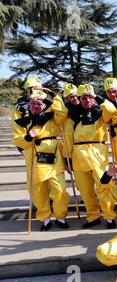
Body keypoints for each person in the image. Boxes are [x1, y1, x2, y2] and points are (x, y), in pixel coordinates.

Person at [12, 89, 70, 230]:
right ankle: (44, 219)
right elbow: (18, 141)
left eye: (40, 103)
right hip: (34, 158)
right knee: (38, 192)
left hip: (54, 159)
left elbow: (62, 113)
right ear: (29, 105)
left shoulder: (52, 117)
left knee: (60, 189)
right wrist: (27, 137)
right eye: (33, 103)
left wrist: (53, 96)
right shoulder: (22, 122)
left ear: (44, 105)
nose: (36, 106)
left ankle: (60, 216)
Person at [64, 84, 117, 229]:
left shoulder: (100, 112)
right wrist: (67, 158)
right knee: (85, 190)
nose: (86, 100)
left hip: (97, 153)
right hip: (78, 155)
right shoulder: (73, 115)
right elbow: (68, 137)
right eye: (83, 98)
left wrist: (97, 97)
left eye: (89, 97)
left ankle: (109, 216)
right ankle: (93, 216)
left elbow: (112, 110)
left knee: (104, 186)